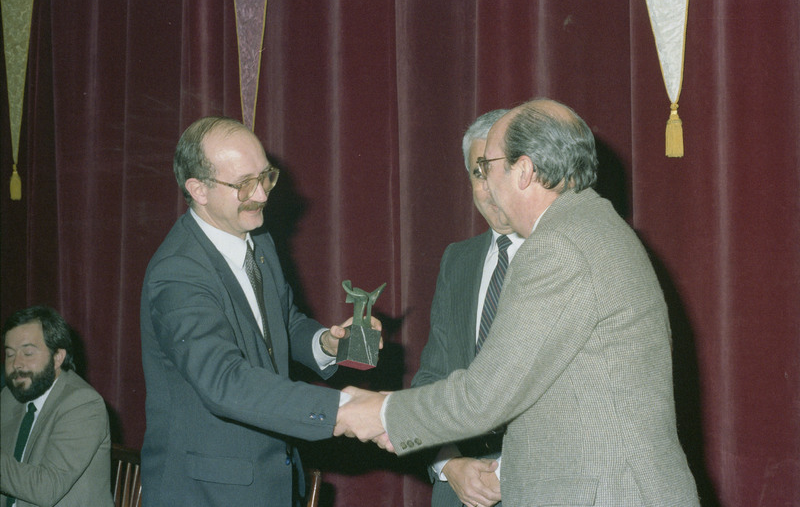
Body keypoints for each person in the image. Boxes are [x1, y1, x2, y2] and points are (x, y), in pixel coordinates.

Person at [335, 98, 700, 506]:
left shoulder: (558, 246)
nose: (485, 183)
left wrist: (381, 413)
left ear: (523, 171)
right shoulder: (593, 223)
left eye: (487, 166)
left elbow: (485, 396)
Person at [140, 116, 379, 506]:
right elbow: (225, 381)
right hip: (208, 492)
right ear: (198, 189)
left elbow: (283, 322)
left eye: (266, 176)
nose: (263, 194)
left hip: (269, 480)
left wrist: (327, 344)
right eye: (244, 184)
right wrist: (343, 410)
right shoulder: (178, 272)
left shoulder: (258, 240)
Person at [411, 109, 522, 507]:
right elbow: (431, 379)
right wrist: (449, 464)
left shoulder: (562, 255)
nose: (490, 189)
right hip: (457, 491)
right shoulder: (457, 260)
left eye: (501, 170)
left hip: (538, 484)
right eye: (478, 173)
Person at [1, 305, 113, 507]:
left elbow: (46, 489)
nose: (16, 363)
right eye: (10, 354)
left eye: (28, 353)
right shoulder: (9, 396)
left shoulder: (83, 404)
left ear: (57, 357)